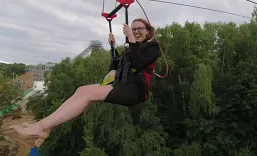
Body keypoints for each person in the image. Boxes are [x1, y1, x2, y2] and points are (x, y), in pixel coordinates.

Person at [10, 18, 160, 147]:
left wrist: (131, 41)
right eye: (133, 29)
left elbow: (138, 63)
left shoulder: (153, 47)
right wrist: (113, 48)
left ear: (148, 31)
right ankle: (43, 127)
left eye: (139, 28)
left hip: (135, 90)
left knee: (87, 94)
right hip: (122, 85)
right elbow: (114, 68)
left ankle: (42, 127)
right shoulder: (129, 49)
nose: (135, 31)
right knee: (82, 90)